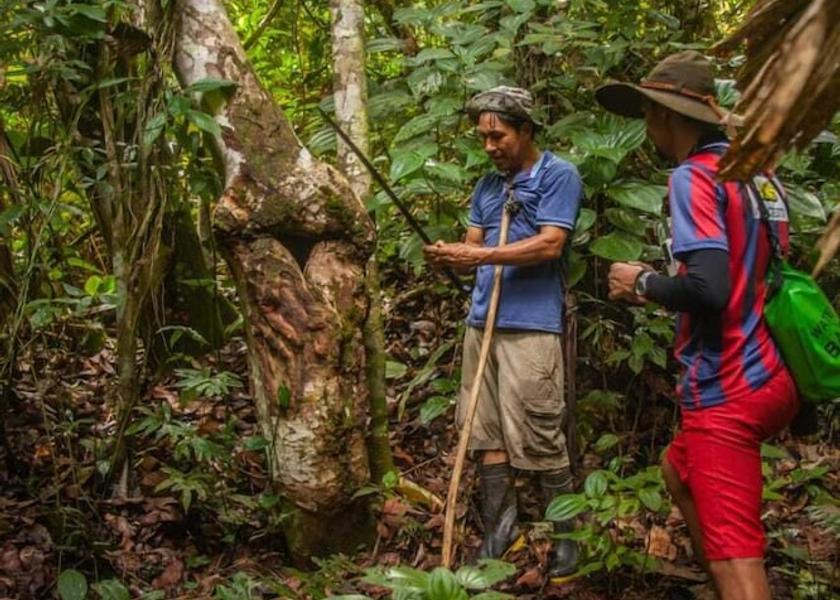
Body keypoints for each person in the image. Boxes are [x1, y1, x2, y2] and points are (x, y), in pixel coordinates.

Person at [596, 51, 799, 600]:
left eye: (648, 113)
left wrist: (641, 283)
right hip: (773, 370)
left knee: (738, 558)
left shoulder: (693, 178)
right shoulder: (758, 173)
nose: (646, 127)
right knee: (677, 470)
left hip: (728, 383)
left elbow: (710, 291)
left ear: (666, 115)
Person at [424, 86, 582, 576]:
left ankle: (568, 538)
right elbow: (473, 246)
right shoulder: (487, 187)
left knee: (540, 432)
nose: (490, 146)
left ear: (526, 130)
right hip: (482, 324)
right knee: (484, 430)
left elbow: (550, 244)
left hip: (530, 326)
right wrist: (451, 255)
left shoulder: (558, 175)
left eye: (499, 136)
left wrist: (480, 254)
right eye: (483, 138)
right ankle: (501, 530)